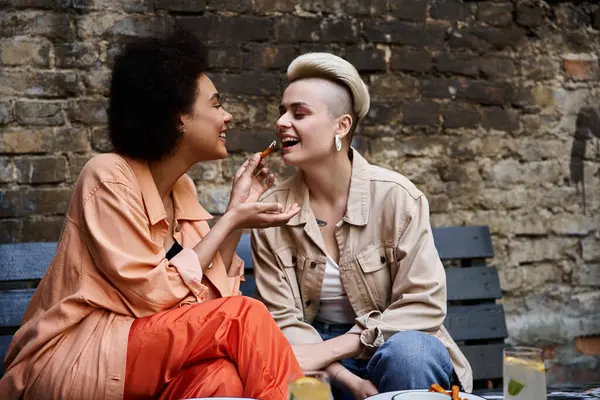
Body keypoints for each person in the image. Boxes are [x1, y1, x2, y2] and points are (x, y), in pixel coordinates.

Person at [0, 30, 303, 400]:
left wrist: (234, 214)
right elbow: (152, 295)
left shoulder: (182, 189)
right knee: (246, 316)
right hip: (78, 356)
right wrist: (230, 221)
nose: (228, 116)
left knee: (221, 378)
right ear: (178, 118)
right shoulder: (108, 176)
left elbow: (208, 299)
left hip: (145, 355)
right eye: (216, 104)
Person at [251, 52, 473, 400]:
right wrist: (346, 377)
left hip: (390, 347)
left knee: (409, 353)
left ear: (342, 126)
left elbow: (424, 303)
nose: (281, 122)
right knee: (298, 379)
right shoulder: (271, 211)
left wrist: (347, 343)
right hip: (316, 358)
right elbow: (283, 321)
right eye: (282, 111)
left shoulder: (398, 198)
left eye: (299, 113)